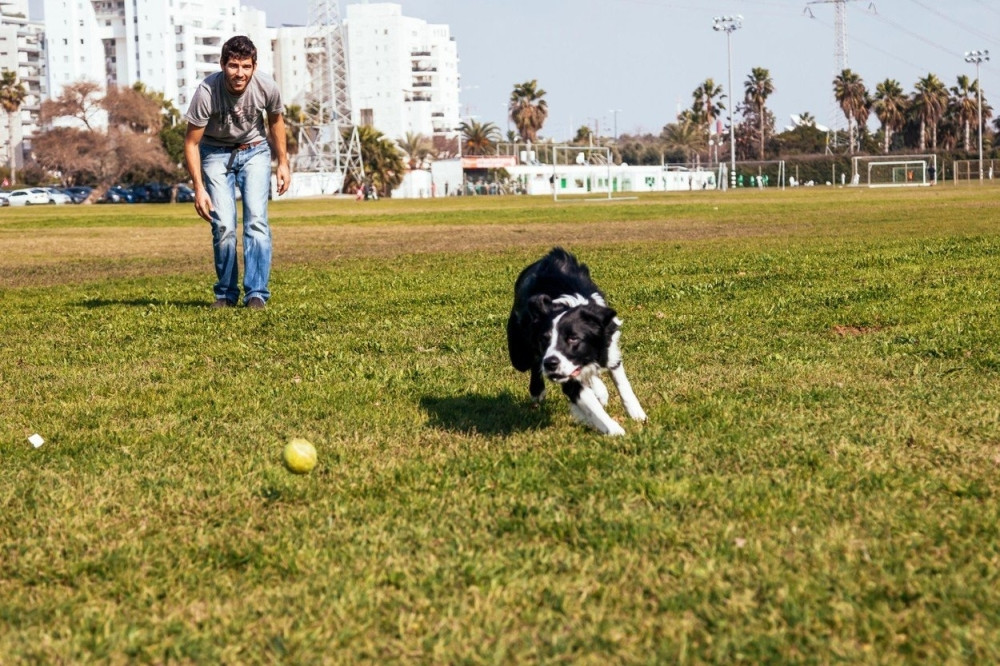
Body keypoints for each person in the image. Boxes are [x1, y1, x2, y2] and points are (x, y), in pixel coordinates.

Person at [183, 35, 290, 310]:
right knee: (223, 225)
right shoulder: (206, 92)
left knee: (256, 221)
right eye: (233, 66)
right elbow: (192, 142)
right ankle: (226, 295)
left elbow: (276, 121)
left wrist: (283, 164)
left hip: (255, 150)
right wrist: (199, 188)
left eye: (245, 66)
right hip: (215, 153)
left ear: (254, 66)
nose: (239, 73)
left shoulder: (266, 85)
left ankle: (256, 294)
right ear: (222, 65)